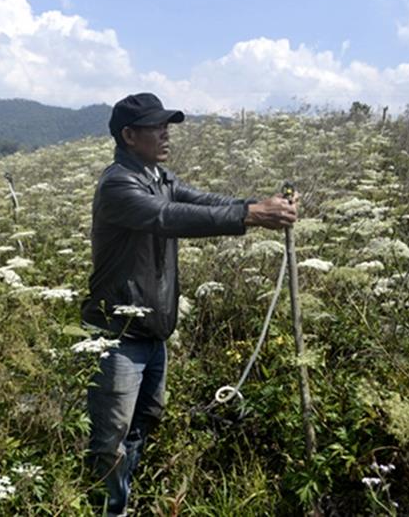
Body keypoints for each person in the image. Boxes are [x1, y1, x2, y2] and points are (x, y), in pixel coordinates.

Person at [81, 92, 297, 516]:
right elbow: (167, 217)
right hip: (118, 338)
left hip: (153, 334)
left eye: (166, 125)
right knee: (111, 440)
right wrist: (251, 216)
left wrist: (256, 207)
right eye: (156, 127)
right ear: (129, 135)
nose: (166, 134)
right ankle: (105, 510)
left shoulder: (158, 175)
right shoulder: (119, 184)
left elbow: (200, 201)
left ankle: (119, 503)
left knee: (140, 428)